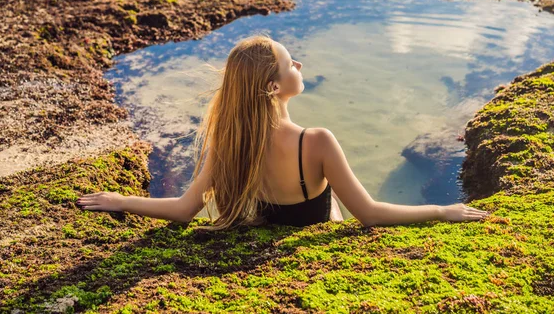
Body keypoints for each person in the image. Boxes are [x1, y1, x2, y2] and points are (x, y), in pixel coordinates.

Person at [76, 34, 489, 230]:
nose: (301, 67)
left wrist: (121, 200)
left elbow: (186, 209)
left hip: (257, 227)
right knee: (331, 208)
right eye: (292, 64)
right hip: (314, 233)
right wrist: (441, 211)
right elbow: (370, 214)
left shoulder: (229, 141)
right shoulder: (317, 141)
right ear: (273, 87)